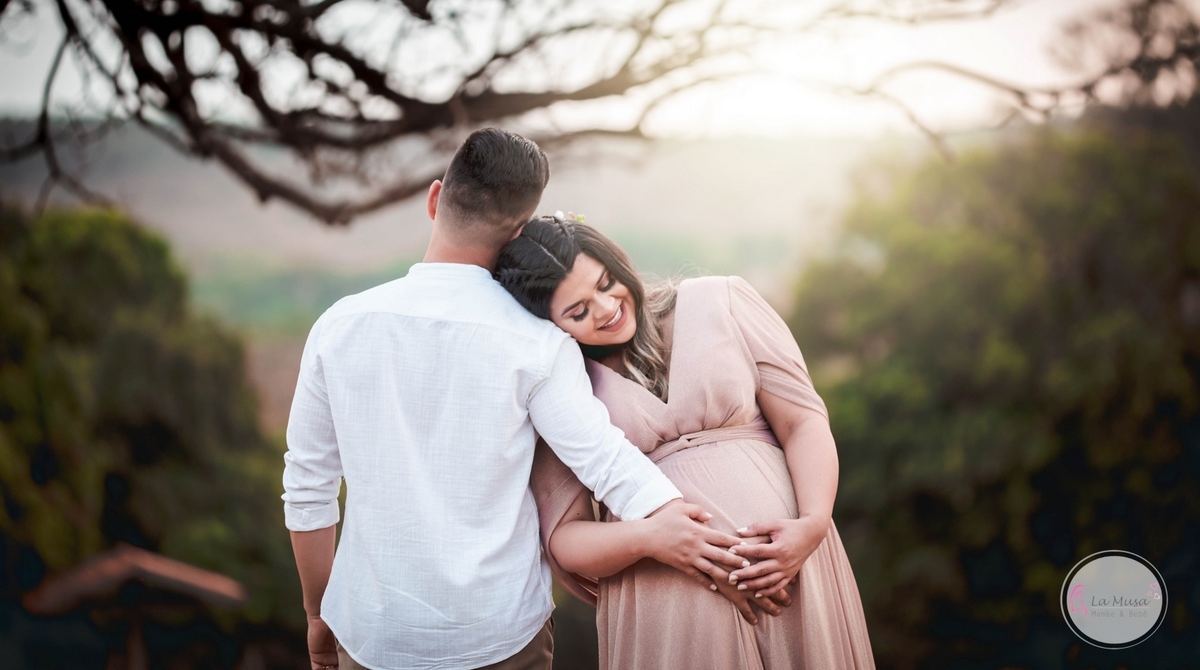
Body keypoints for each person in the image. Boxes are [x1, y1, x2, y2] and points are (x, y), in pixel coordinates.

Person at [281, 128, 745, 670]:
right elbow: (604, 459)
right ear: (519, 234)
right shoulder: (539, 343)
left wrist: (317, 615)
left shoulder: (338, 327)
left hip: (374, 635)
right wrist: (687, 533)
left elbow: (308, 488)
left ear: (435, 200)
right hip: (501, 640)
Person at [494, 215, 878, 669]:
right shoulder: (558, 390)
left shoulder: (723, 300)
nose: (605, 308)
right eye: (578, 311)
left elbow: (802, 422)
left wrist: (812, 524)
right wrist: (652, 539)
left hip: (793, 567)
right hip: (670, 608)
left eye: (606, 282)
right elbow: (566, 538)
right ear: (549, 326)